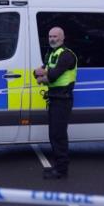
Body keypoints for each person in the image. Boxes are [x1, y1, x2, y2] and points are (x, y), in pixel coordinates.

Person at [34, 27, 77, 179]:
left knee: (59, 136)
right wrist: (42, 74)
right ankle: (58, 166)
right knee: (53, 134)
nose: (52, 39)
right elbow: (37, 72)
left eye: (55, 36)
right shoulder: (51, 53)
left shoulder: (66, 55)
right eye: (50, 36)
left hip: (63, 100)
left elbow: (52, 75)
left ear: (62, 38)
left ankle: (61, 170)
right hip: (54, 98)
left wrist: (43, 75)